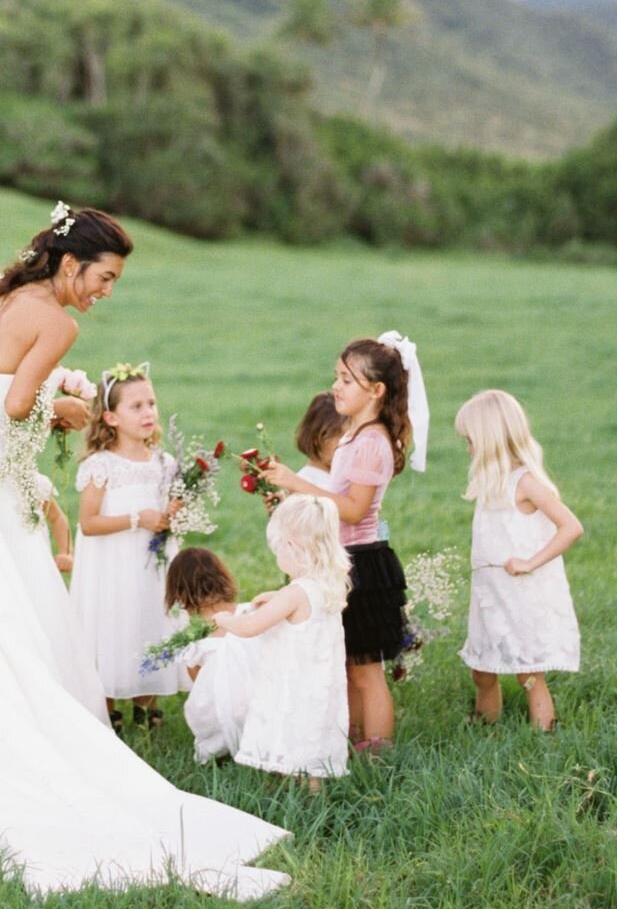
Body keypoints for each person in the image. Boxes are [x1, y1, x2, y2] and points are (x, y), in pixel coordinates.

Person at [0, 201, 291, 897]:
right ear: (71, 263)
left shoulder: (0, 296)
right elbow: (17, 404)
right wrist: (67, 408)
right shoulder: (55, 319)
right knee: (4, 605)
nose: (105, 292)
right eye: (103, 277)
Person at [260, 335, 424, 749]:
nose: (336, 386)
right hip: (343, 560)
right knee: (348, 662)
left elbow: (353, 510)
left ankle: (379, 752)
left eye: (347, 380)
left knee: (367, 671)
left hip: (364, 565)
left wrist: (297, 484)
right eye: (336, 376)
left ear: (376, 390)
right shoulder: (354, 434)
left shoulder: (372, 442)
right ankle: (351, 738)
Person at [456, 390, 583, 731]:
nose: (467, 449)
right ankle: (485, 725)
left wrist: (530, 561)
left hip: (521, 595)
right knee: (482, 667)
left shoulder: (525, 482)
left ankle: (546, 731)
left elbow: (571, 527)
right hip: (490, 593)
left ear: (490, 439)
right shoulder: (490, 482)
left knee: (528, 671)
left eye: (471, 440)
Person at [212, 497, 353, 790]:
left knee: (293, 742)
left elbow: (251, 626)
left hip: (295, 687)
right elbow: (303, 609)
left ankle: (310, 810)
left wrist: (225, 620)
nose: (277, 558)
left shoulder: (295, 592)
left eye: (278, 551)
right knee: (309, 747)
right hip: (320, 687)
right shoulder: (326, 583)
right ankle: (301, 796)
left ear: (291, 547)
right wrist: (276, 598)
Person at [70, 365, 180, 729]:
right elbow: (89, 523)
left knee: (146, 618)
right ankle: (108, 706)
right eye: (136, 406)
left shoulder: (165, 463)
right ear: (110, 417)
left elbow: (167, 512)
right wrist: (138, 519)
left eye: (151, 403)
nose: (148, 412)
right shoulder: (103, 465)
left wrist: (173, 514)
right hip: (113, 566)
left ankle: (146, 704)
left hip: (150, 564)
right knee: (114, 623)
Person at [163, 548, 256, 766]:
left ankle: (221, 745)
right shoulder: (251, 615)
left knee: (203, 702)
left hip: (225, 714)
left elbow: (202, 689)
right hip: (262, 706)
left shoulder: (197, 645)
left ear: (180, 594)